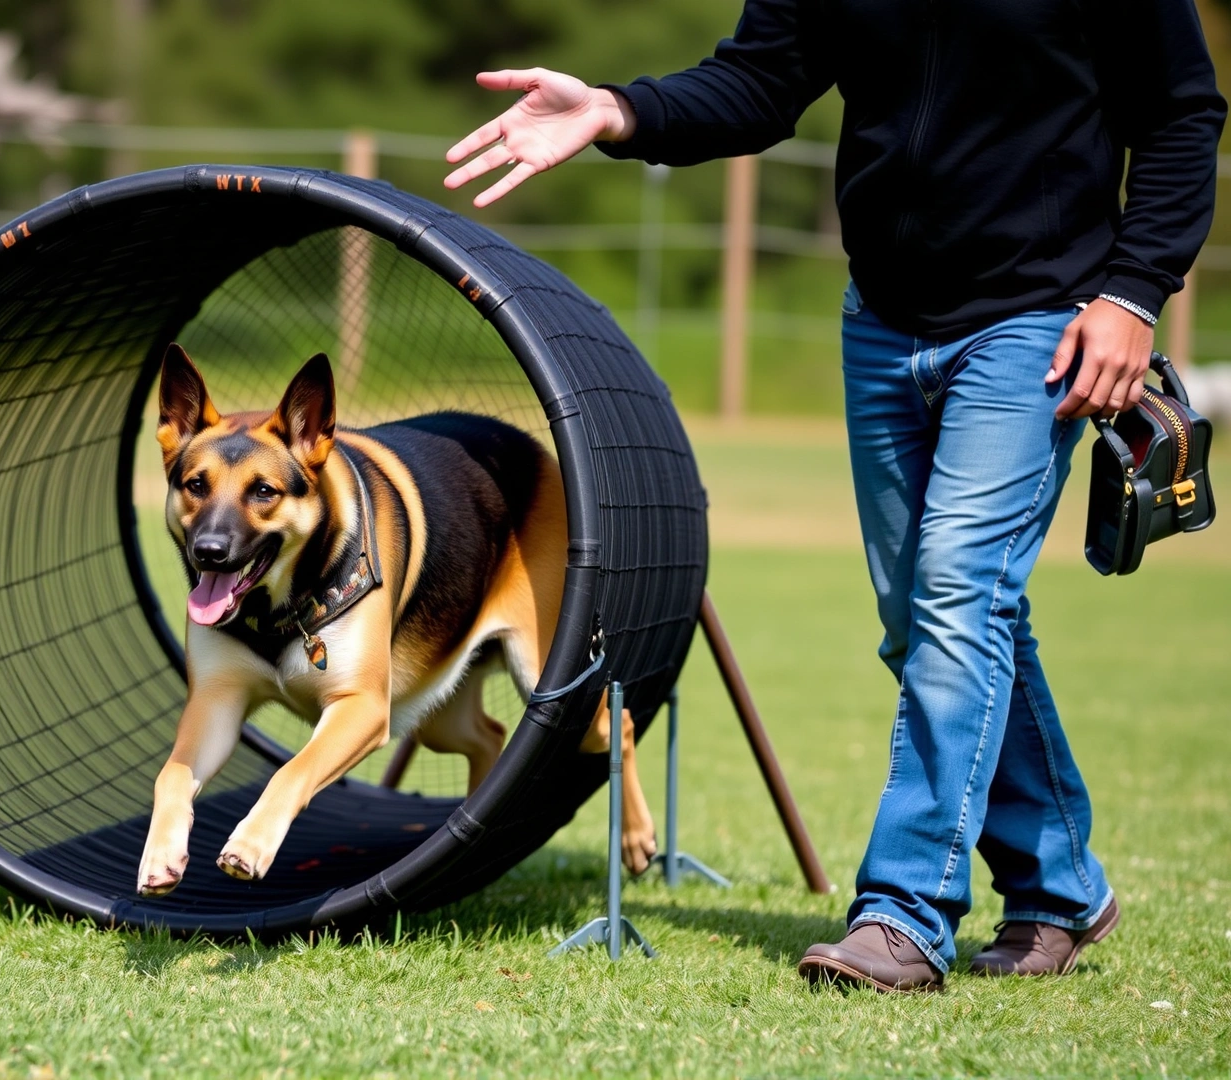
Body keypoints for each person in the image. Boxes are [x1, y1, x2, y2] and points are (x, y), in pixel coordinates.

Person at [444, 0, 1224, 992]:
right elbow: (761, 81)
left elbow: (1181, 113)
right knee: (928, 618)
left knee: (953, 599)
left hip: (1041, 321)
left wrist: (1133, 294)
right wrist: (614, 110)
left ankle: (903, 915)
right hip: (884, 319)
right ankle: (1061, 886)